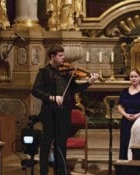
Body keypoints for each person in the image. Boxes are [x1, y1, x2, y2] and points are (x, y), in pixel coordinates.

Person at [32, 45, 99, 175]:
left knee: (61, 142)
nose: (63, 58)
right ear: (52, 56)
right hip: (49, 112)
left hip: (64, 112)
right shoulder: (44, 72)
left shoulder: (66, 73)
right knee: (47, 142)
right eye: (60, 56)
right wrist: (52, 97)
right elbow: (35, 91)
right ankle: (43, 171)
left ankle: (61, 171)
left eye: (63, 55)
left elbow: (74, 89)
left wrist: (89, 82)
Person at [117, 68, 140, 160]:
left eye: (135, 76)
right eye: (131, 77)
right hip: (126, 121)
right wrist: (125, 115)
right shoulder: (124, 91)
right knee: (125, 142)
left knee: (138, 143)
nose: (133, 78)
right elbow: (120, 106)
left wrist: (137, 115)